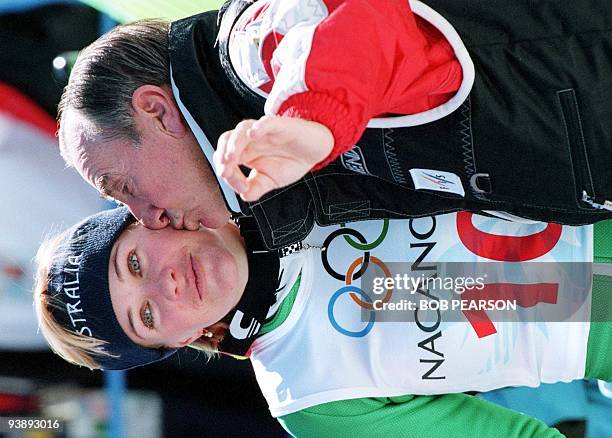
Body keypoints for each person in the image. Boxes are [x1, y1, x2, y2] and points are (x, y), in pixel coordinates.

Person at [57, 0, 612, 251]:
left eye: (122, 187)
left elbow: (356, 21)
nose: (147, 218)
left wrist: (314, 118)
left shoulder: (250, 49)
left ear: (155, 109)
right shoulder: (284, 187)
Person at [34, 206, 611, 437]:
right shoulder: (310, 396)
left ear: (148, 219)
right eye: (146, 315)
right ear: (178, 341)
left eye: (132, 262)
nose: (165, 283)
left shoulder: (273, 161)